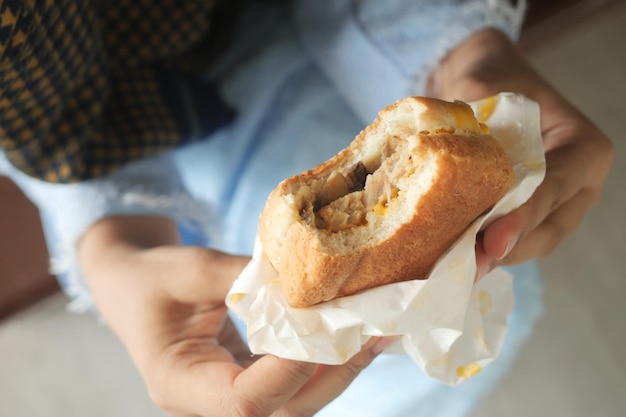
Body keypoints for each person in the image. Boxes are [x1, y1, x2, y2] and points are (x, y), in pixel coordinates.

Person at [0, 0, 613, 416]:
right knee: (345, 386)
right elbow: (36, 119)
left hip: (287, 22)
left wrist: (465, 54)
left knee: (482, 312)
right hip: (110, 133)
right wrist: (112, 250)